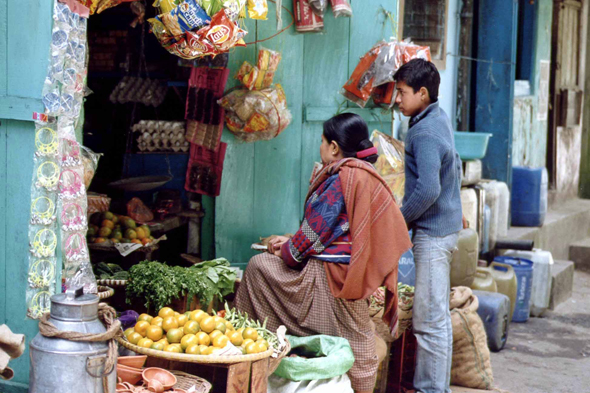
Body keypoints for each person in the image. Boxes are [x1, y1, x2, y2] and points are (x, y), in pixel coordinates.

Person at [235, 113, 412, 393]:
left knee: (259, 266)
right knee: (358, 339)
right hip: (354, 272)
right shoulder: (364, 173)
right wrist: (294, 240)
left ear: (333, 147)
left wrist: (284, 249)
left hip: (330, 276)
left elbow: (306, 243)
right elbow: (335, 230)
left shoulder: (340, 178)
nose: (319, 147)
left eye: (321, 141)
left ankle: (249, 355)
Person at [393, 59, 463, 393]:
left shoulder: (424, 130)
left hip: (434, 235)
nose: (397, 99)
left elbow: (429, 189)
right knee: (436, 319)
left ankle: (431, 390)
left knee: (429, 322)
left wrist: (399, 219)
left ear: (422, 93)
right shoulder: (435, 116)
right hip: (444, 228)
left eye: (403, 92)